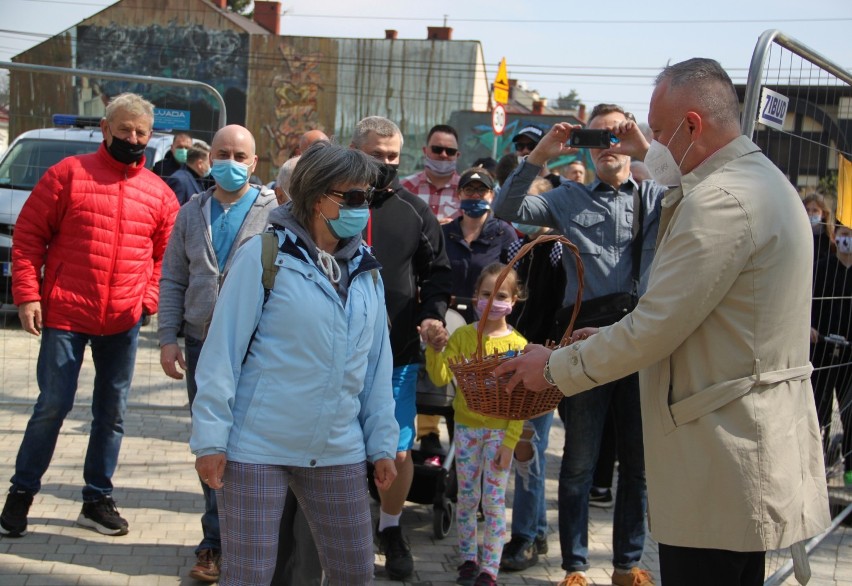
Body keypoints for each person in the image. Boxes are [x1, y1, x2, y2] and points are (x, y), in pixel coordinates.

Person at [496, 57, 830, 586]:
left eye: (656, 132)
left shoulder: (718, 201)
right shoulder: (764, 181)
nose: (648, 145)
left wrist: (555, 368)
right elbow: (709, 317)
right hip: (737, 445)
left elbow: (656, 326)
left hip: (718, 455)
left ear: (692, 125)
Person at [190, 141, 399, 585]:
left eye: (369, 197)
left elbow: (377, 365)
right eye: (355, 197)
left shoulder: (367, 271)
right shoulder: (263, 255)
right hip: (256, 448)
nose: (365, 208)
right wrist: (210, 441)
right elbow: (220, 354)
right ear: (318, 195)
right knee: (249, 577)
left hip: (337, 449)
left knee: (355, 574)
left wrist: (381, 444)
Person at [494, 102, 665, 586]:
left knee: (638, 464)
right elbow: (508, 210)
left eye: (617, 134)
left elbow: (696, 195)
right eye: (598, 138)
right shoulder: (568, 197)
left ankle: (628, 564)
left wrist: (645, 149)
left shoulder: (655, 195)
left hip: (640, 338)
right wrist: (539, 157)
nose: (608, 145)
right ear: (585, 149)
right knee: (579, 461)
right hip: (584, 341)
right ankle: (575, 567)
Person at [2, 93, 178, 538]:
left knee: (112, 412)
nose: (133, 139)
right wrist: (28, 296)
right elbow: (28, 239)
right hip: (65, 313)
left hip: (123, 319)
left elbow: (167, 257)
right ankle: (20, 495)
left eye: (140, 132)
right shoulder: (68, 175)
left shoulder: (158, 193)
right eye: (124, 130)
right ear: (105, 129)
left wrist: (147, 300)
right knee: (53, 405)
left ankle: (96, 498)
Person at [158, 124, 277, 582]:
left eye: (239, 155)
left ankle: (249, 539)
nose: (230, 162)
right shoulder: (192, 211)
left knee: (251, 445)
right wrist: (168, 336)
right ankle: (214, 543)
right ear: (209, 159)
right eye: (222, 153)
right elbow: (172, 278)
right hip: (200, 342)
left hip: (256, 346)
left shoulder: (273, 213)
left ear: (254, 161)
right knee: (211, 441)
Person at [351, 115, 452, 580]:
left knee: (395, 449)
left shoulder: (415, 211)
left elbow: (438, 274)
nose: (387, 164)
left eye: (393, 156)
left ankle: (391, 528)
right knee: (340, 450)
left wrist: (431, 313)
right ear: (354, 151)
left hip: (398, 353)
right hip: (333, 356)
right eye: (377, 155)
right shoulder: (329, 204)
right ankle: (345, 528)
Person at [424, 262, 525, 586]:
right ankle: (468, 559)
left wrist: (510, 443)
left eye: (501, 295)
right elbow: (441, 376)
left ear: (515, 298)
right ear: (475, 296)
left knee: (493, 503)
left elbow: (520, 403)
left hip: (498, 434)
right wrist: (435, 349)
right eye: (486, 294)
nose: (493, 301)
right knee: (467, 499)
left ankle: (489, 569)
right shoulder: (464, 337)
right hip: (466, 431)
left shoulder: (519, 346)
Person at [500, 176, 566, 572]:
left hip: (544, 359)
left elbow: (556, 303)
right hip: (512, 354)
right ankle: (537, 528)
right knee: (529, 447)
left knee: (529, 447)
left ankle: (524, 533)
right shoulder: (514, 245)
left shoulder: (557, 249)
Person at [445, 167, 518, 323]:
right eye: (469, 190)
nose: (475, 195)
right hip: (447, 319)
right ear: (459, 194)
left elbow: (514, 280)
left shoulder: (504, 234)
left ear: (491, 195)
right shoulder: (444, 233)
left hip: (488, 321)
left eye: (482, 190)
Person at [810, 220, 852, 488]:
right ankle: (815, 465)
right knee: (817, 409)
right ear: (835, 236)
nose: (847, 239)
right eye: (844, 234)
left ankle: (849, 470)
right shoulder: (822, 268)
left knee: (849, 414)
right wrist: (809, 326)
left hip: (850, 355)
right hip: (822, 349)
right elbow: (806, 298)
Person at [401, 124, 462, 222]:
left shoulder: (467, 191)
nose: (443, 155)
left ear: (457, 155)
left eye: (450, 151)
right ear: (425, 151)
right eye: (437, 149)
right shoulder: (405, 187)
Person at [804, 192, 835, 262]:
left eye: (815, 210)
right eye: (807, 210)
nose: (810, 214)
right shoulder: (798, 234)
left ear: (823, 214)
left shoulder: (830, 238)